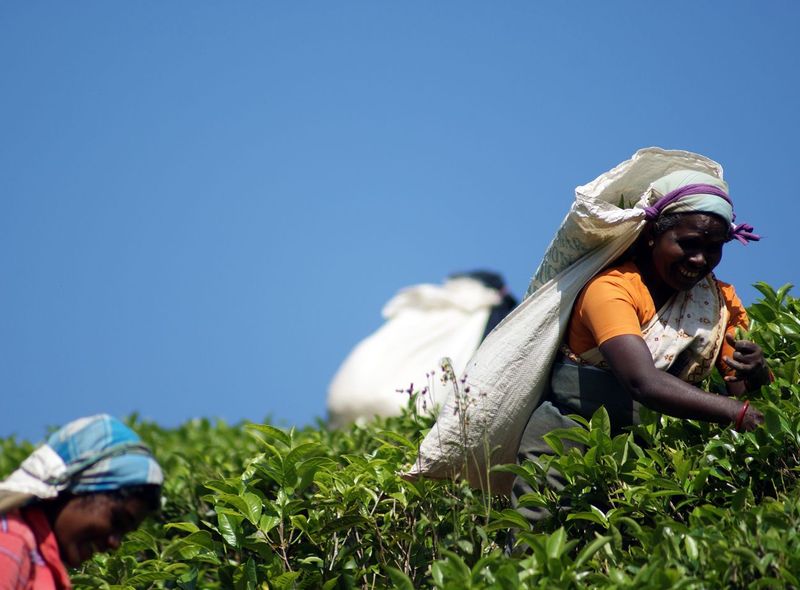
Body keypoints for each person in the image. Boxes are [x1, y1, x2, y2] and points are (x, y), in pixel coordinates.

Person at [512, 169, 772, 524]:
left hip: (654, 464)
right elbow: (642, 382)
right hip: (566, 449)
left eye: (713, 249)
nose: (699, 260)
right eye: (688, 243)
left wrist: (757, 374)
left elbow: (739, 388)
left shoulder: (719, 302)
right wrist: (736, 412)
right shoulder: (611, 289)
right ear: (653, 235)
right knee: (533, 554)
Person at [0, 414, 163, 589]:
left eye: (123, 534)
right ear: (79, 487)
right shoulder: (11, 539)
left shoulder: (38, 560)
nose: (114, 544)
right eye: (117, 521)